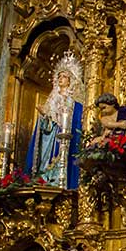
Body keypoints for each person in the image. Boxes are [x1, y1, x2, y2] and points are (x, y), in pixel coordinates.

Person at [25, 50, 84, 189]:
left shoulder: (72, 101)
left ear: (70, 80)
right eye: (59, 76)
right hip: (51, 137)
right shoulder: (52, 98)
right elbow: (46, 125)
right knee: (46, 161)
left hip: (65, 136)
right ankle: (46, 178)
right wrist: (44, 116)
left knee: (63, 157)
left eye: (64, 77)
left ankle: (60, 180)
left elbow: (74, 119)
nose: (61, 79)